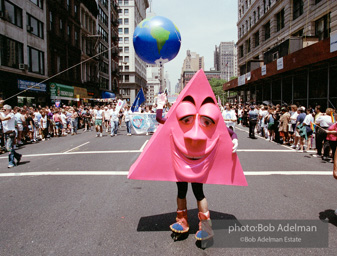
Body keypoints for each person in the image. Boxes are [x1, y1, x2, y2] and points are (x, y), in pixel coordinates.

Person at [155, 93, 239, 241]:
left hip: (197, 163)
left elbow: (227, 131)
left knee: (198, 192)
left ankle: (205, 225)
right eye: (187, 119)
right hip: (181, 161)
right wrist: (160, 106)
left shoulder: (206, 119)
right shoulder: (176, 121)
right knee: (181, 191)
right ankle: (182, 220)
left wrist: (234, 139)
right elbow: (161, 119)